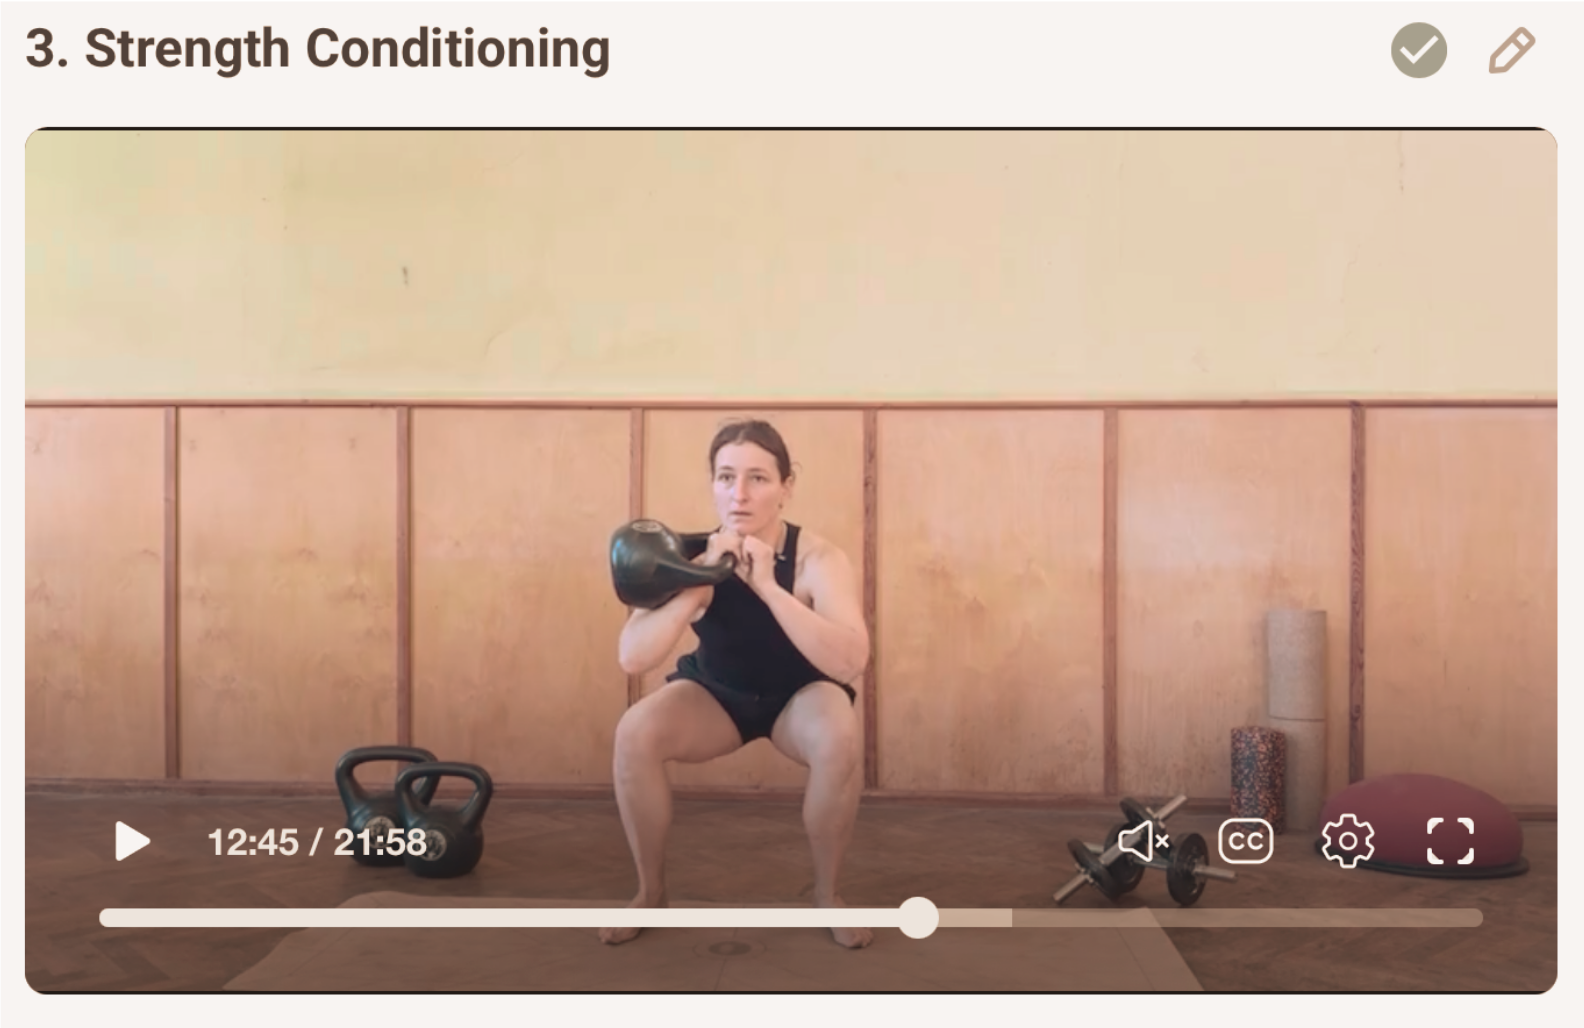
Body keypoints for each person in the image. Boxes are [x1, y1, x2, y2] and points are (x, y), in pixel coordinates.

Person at [602, 419, 872, 948]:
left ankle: (827, 894)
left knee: (840, 735)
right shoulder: (685, 556)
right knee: (634, 732)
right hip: (717, 697)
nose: (739, 494)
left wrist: (769, 587)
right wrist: (700, 578)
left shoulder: (819, 560)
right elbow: (633, 658)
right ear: (712, 484)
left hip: (800, 698)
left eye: (758, 479)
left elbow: (852, 659)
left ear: (786, 487)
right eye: (726, 477)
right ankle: (650, 893)